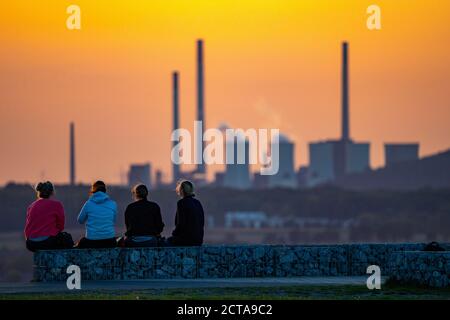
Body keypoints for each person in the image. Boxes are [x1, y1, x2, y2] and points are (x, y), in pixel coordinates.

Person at [24, 181, 74, 252]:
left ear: (39, 192)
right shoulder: (57, 205)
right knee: (67, 238)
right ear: (52, 192)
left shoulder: (31, 206)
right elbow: (60, 227)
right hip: (47, 242)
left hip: (31, 243)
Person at [75, 181, 117, 249]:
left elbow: (80, 220)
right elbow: (113, 221)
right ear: (105, 190)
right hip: (110, 241)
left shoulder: (88, 204)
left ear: (93, 190)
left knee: (81, 242)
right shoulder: (113, 204)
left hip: (91, 241)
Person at [166, 180, 204, 246]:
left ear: (182, 190)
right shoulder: (198, 203)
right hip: (198, 240)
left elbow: (180, 223)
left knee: (166, 242)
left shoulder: (181, 203)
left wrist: (174, 233)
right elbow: (202, 222)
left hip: (187, 240)